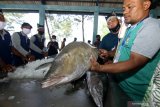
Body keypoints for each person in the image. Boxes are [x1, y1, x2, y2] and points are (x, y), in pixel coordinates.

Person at [90, 0, 160, 102]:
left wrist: (100, 68)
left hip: (133, 96)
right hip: (119, 84)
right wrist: (109, 53)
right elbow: (122, 51)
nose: (125, 12)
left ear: (146, 5)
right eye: (124, 9)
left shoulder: (152, 27)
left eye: (130, 7)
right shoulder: (131, 28)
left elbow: (134, 61)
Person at [0, 13, 15, 81]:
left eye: (3, 19)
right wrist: (3, 64)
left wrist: (23, 56)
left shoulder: (7, 33)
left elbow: (11, 48)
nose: (2, 21)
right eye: (0, 19)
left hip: (8, 64)